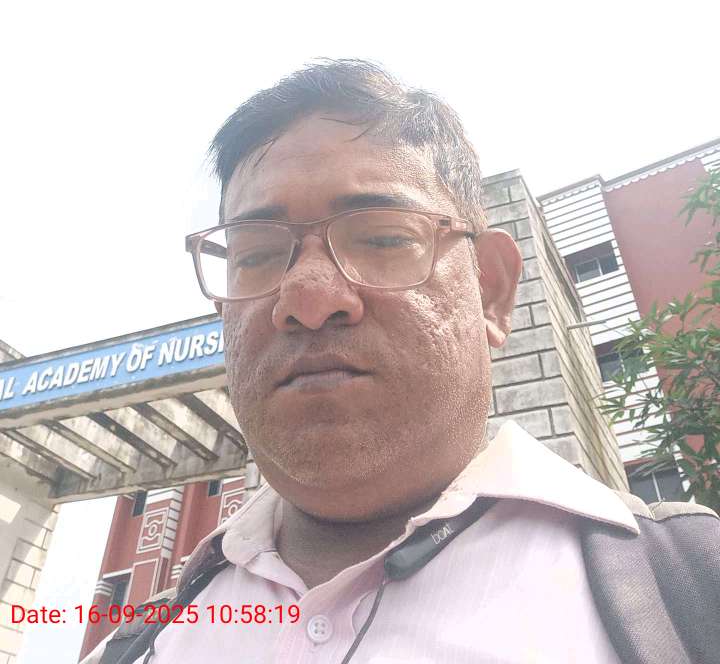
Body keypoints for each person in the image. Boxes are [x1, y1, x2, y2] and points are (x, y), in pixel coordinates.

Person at [86, 60, 719, 664]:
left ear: (491, 290)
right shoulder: (137, 645)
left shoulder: (690, 591)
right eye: (255, 254)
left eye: (383, 238)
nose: (306, 299)